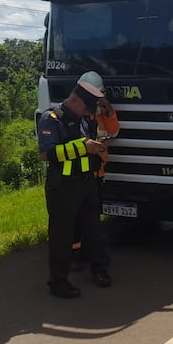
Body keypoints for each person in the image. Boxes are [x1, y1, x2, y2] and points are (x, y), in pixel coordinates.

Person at [37, 72, 113, 298]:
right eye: (86, 108)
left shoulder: (85, 118)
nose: (89, 113)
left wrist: (98, 146)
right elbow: (46, 154)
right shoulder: (51, 119)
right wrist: (83, 147)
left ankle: (99, 269)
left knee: (93, 229)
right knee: (62, 236)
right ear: (76, 100)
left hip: (87, 181)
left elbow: (95, 134)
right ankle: (58, 282)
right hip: (63, 187)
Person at [70, 71, 119, 272]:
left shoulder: (100, 116)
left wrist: (109, 112)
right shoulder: (75, 116)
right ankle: (74, 256)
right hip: (76, 176)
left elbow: (114, 131)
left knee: (92, 218)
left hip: (97, 175)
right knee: (75, 219)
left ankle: (91, 256)